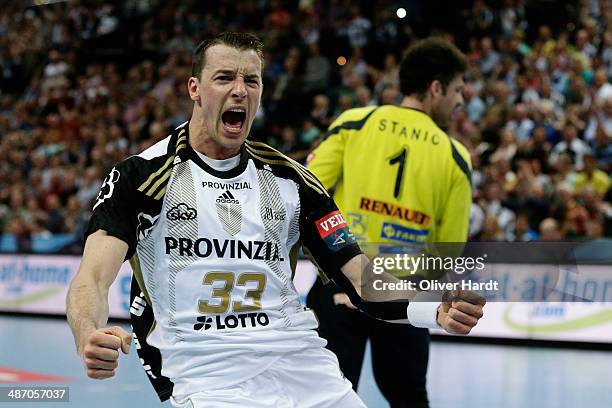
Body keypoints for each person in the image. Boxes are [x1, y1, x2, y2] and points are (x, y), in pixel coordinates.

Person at [66, 32, 485, 408]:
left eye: (251, 81)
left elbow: (360, 279)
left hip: (303, 367)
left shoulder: (292, 181)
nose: (239, 91)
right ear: (194, 88)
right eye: (224, 78)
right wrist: (88, 331)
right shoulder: (141, 177)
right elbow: (92, 278)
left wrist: (434, 309)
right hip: (208, 375)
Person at [307, 37, 473, 408]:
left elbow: (306, 194)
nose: (461, 100)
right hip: (405, 298)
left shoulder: (354, 124)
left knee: (324, 397)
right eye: (458, 89)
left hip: (340, 284)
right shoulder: (456, 157)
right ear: (436, 88)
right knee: (409, 397)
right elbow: (450, 250)